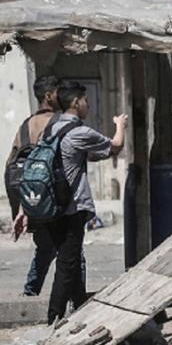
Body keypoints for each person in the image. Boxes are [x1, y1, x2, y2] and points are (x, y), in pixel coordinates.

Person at [13, 80, 128, 325]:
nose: (88, 105)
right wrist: (120, 125)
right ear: (75, 102)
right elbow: (116, 146)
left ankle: (80, 308)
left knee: (72, 262)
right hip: (71, 208)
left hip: (50, 207)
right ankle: (54, 317)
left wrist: (24, 208)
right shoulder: (79, 132)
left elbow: (38, 167)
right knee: (67, 264)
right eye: (85, 100)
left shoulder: (50, 130)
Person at [5, 75, 87, 297]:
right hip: (56, 200)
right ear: (49, 96)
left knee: (46, 247)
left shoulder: (25, 125)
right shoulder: (59, 123)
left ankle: (30, 293)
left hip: (32, 200)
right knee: (73, 252)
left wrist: (21, 206)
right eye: (59, 92)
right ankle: (77, 299)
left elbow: (11, 167)